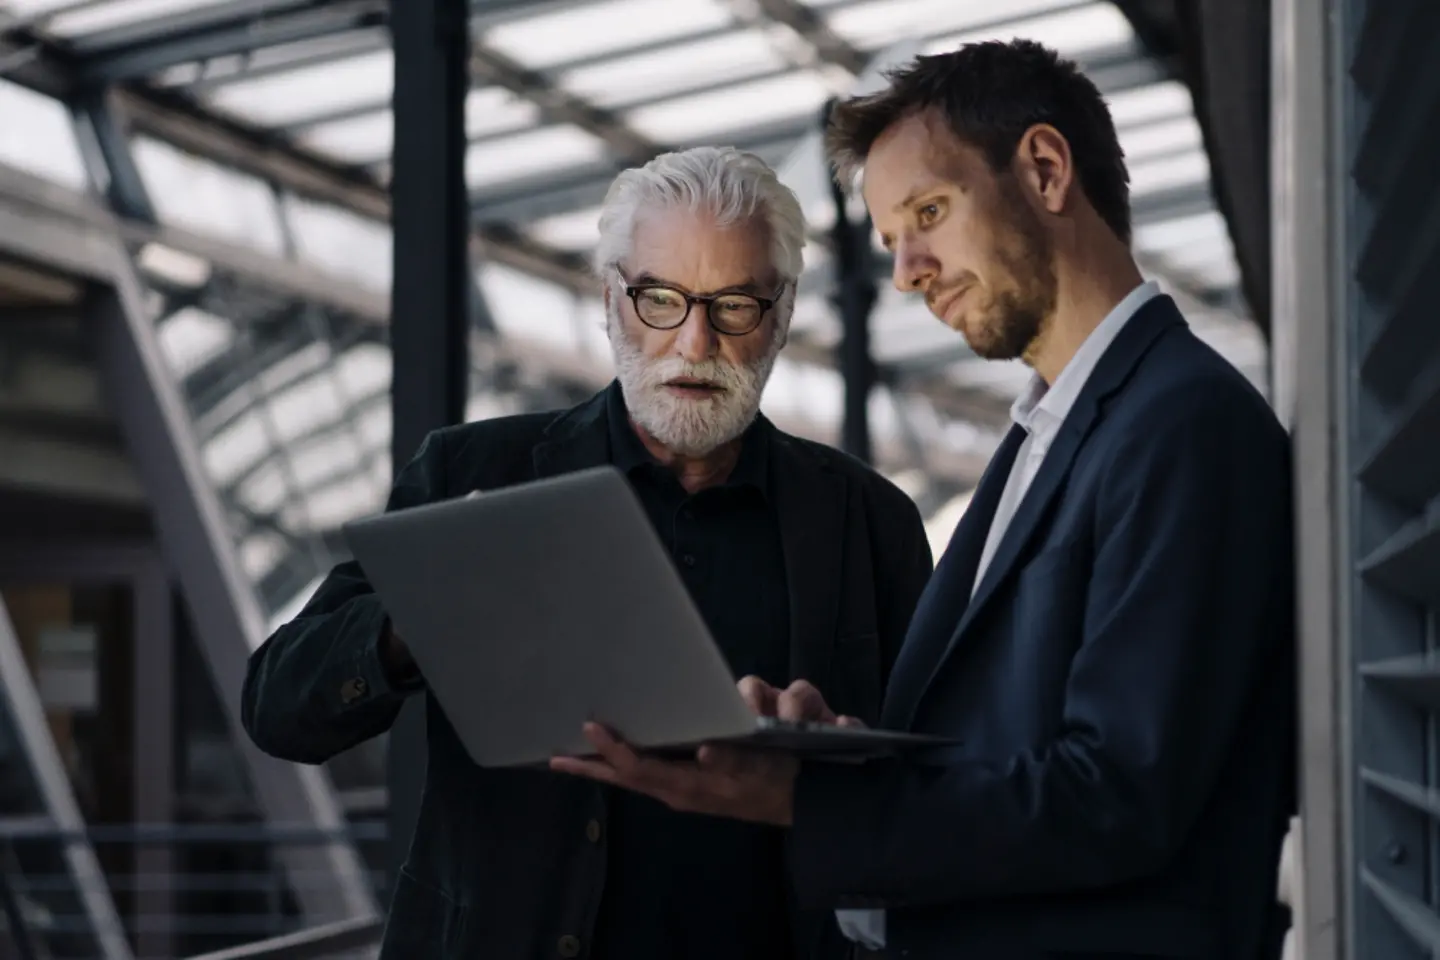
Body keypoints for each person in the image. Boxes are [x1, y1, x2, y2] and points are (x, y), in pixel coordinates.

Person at [550, 41, 1297, 960]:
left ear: (1046, 170)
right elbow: (1026, 746)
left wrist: (805, 801)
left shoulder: (1185, 427)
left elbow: (1118, 795)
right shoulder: (1057, 433)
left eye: (928, 213)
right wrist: (845, 753)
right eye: (892, 238)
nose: (907, 271)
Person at [240, 145, 934, 960]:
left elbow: (933, 796)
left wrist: (841, 762)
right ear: (611, 301)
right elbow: (277, 708)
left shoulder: (868, 520)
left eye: (735, 306)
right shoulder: (475, 476)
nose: (695, 341)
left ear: (780, 317)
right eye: (659, 299)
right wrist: (408, 629)